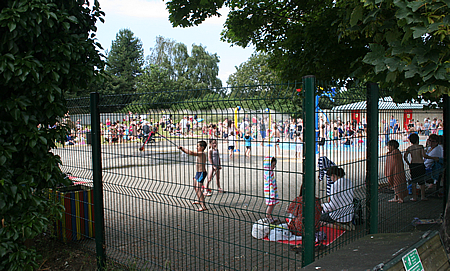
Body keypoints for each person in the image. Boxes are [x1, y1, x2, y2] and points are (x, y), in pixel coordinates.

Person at [178, 141, 208, 212]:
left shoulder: (201, 153)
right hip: (198, 173)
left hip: (201, 173)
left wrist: (182, 148)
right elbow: (190, 152)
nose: (196, 147)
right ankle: (199, 200)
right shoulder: (199, 153)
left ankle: (203, 206)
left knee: (198, 189)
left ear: (202, 147)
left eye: (198, 146)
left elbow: (191, 153)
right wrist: (182, 149)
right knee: (195, 186)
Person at [403, 133, 427, 201]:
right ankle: (423, 196)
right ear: (418, 140)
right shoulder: (421, 146)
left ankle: (414, 197)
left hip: (413, 164)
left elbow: (405, 157)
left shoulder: (409, 148)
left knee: (414, 181)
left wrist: (409, 163)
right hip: (420, 164)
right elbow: (424, 155)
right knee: (422, 181)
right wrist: (432, 157)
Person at [264, 156, 279, 223]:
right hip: (270, 191)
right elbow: (270, 183)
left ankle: (270, 215)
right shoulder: (268, 173)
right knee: (271, 204)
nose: (274, 167)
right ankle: (268, 215)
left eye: (274, 165)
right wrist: (272, 192)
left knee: (272, 204)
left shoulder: (270, 172)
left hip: (272, 191)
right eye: (272, 165)